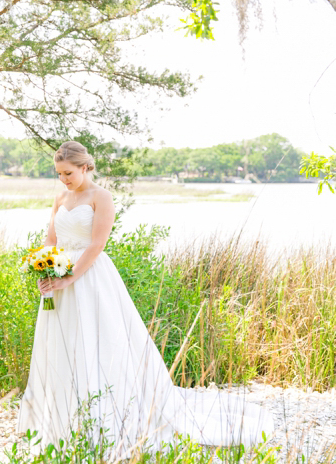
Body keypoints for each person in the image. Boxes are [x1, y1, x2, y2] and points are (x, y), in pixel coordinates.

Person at [17, 141, 275, 459]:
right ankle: (62, 416)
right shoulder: (60, 197)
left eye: (68, 173)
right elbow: (51, 239)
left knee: (99, 341)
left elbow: (96, 245)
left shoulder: (101, 197)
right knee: (61, 343)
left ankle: (103, 415)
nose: (64, 180)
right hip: (58, 281)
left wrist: (70, 277)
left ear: (85, 167)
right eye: (59, 174)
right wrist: (45, 270)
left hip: (90, 277)